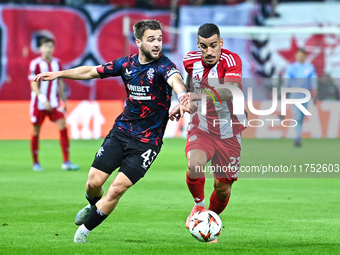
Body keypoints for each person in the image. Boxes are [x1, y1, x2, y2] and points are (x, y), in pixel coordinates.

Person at [34, 20, 190, 243]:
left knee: (117, 188)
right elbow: (90, 71)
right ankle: (92, 205)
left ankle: (82, 234)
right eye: (151, 39)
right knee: (94, 182)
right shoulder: (126, 65)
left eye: (160, 39)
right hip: (121, 133)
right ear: (138, 42)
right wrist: (59, 74)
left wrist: (183, 96)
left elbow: (176, 81)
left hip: (147, 143)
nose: (157, 44)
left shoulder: (164, 66)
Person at [170, 23, 247, 243]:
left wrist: (197, 97)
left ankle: (210, 219)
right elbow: (190, 84)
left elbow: (230, 90)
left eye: (214, 45)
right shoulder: (189, 60)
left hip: (230, 131)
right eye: (204, 46)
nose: (209, 51)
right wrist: (183, 102)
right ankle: (199, 207)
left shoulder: (232, 61)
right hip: (201, 125)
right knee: (194, 164)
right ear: (198, 45)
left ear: (221, 43)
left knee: (223, 187)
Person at [28, 37, 79, 171]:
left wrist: (64, 101)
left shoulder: (57, 64)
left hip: (55, 103)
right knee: (36, 131)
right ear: (40, 48)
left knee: (63, 128)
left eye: (50, 47)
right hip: (39, 104)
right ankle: (35, 162)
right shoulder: (36, 64)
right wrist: (43, 99)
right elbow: (34, 84)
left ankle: (66, 161)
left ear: (53, 48)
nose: (48, 49)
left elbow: (60, 84)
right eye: (45, 46)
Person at [284, 48, 318, 147]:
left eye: (302, 55)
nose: (300, 57)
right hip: (294, 95)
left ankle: (298, 136)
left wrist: (315, 94)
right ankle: (297, 139)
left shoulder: (310, 68)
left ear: (305, 56)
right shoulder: (291, 68)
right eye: (299, 55)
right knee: (297, 117)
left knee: (302, 116)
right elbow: (287, 81)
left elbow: (313, 81)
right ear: (296, 56)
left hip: (305, 96)